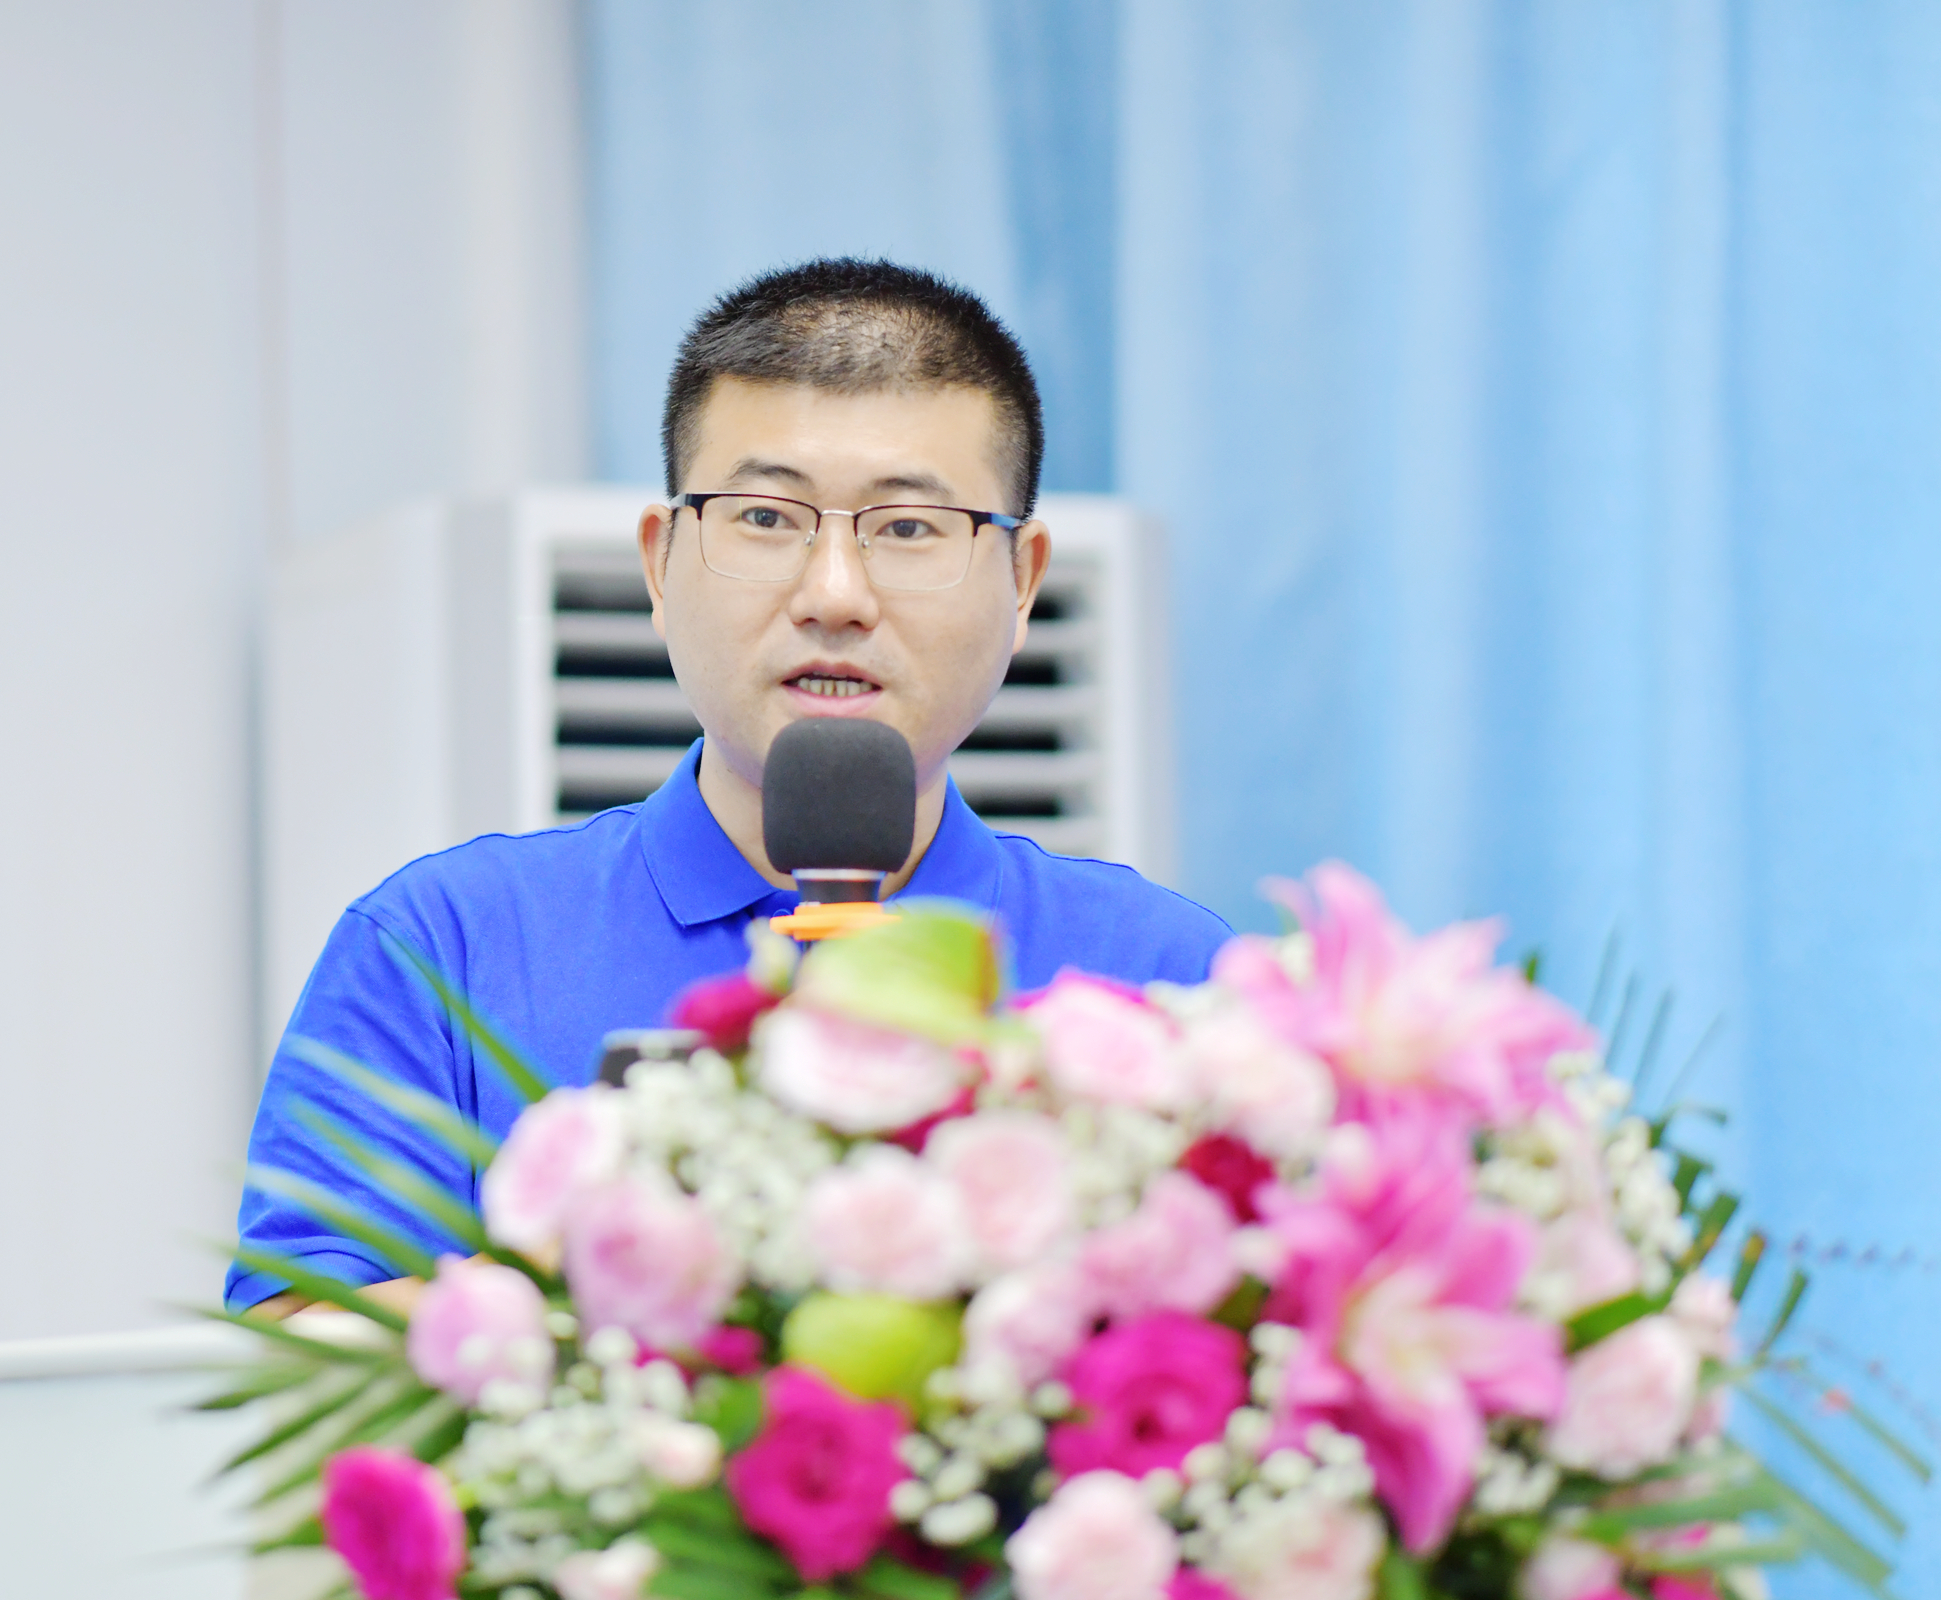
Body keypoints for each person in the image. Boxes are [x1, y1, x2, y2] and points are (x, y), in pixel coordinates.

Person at [230, 259, 1231, 1316]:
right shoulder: (445, 948)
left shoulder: (1168, 981)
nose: (834, 595)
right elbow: (293, 1357)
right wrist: (605, 1272)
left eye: (907, 528)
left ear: (1022, 581)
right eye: (765, 518)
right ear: (661, 564)